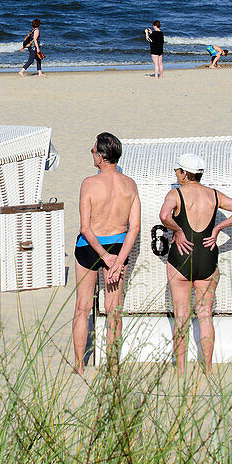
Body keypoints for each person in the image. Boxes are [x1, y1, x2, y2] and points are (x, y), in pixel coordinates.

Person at [160, 153, 232, 376]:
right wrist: (218, 229)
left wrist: (178, 230)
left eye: (177, 171)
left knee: (181, 316)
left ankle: (180, 370)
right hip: (207, 258)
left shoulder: (176, 193)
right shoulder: (214, 195)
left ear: (184, 173)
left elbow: (164, 215)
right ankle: (208, 368)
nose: (176, 175)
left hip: (181, 256)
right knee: (205, 315)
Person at [72, 132, 141, 374]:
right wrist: (117, 259)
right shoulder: (129, 185)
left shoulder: (89, 184)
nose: (92, 155)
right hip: (118, 248)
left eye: (93, 152)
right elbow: (135, 228)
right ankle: (112, 366)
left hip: (91, 248)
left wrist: (104, 256)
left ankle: (80, 365)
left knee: (82, 306)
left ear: (100, 157)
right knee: (114, 310)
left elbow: (85, 228)